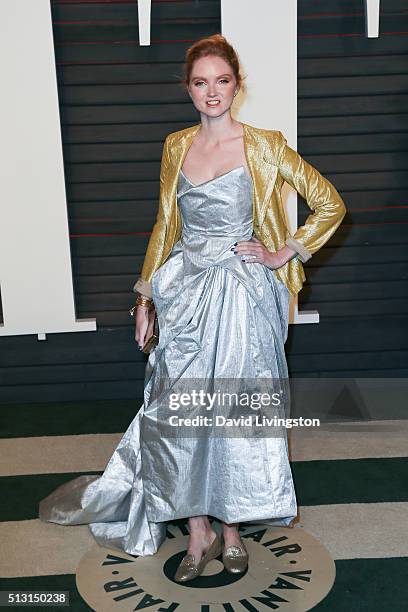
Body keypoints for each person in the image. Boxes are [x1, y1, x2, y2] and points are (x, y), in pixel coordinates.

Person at [39, 34, 346, 582]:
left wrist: (282, 252)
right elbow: (166, 226)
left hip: (245, 295)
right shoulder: (176, 145)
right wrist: (144, 295)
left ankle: (231, 531)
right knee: (179, 413)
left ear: (237, 86)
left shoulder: (266, 144)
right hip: (184, 291)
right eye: (201, 82)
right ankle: (198, 530)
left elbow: (330, 202)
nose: (212, 92)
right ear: (188, 89)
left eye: (221, 81)